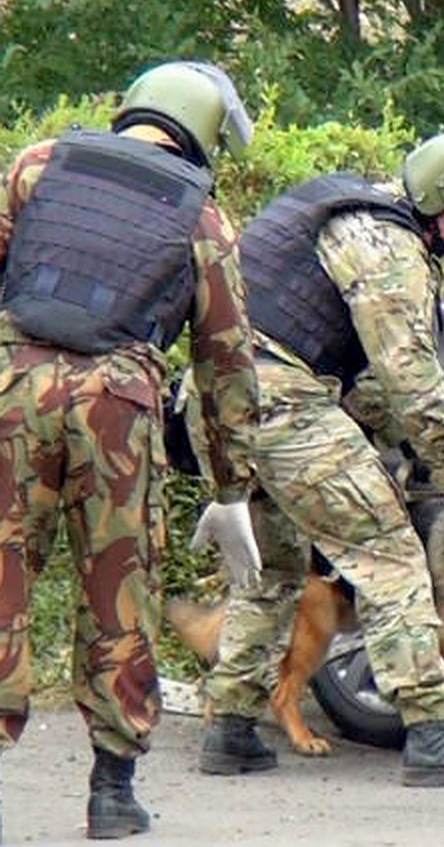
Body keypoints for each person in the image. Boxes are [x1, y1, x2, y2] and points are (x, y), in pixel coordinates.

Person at [192, 132, 444, 786]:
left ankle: (231, 727)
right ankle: (433, 733)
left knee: (274, 568)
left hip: (222, 402)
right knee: (390, 554)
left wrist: (402, 448)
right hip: (281, 401)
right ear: (436, 199)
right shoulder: (386, 244)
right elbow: (410, 381)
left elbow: (372, 390)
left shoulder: (342, 212)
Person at [0, 60, 261, 840]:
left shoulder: (37, 164)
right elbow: (226, 363)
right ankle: (112, 792)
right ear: (203, 130)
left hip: (12, 385)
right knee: (118, 593)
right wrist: (231, 486)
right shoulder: (203, 219)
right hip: (119, 403)